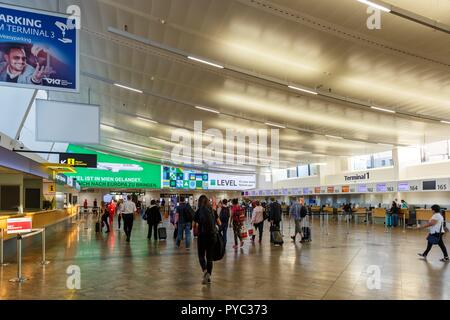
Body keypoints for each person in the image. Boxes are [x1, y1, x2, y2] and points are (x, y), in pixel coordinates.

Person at [193, 195, 220, 285]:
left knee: (201, 255)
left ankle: (205, 272)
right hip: (212, 237)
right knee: (209, 258)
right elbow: (219, 223)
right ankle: (208, 276)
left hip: (202, 237)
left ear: (199, 202)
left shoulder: (198, 211)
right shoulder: (213, 211)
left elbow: (194, 225)